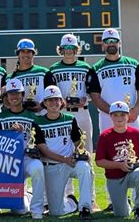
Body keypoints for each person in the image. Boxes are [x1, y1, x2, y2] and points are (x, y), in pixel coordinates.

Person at [49, 34, 99, 211]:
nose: (68, 51)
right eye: (65, 48)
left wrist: (86, 100)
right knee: (64, 153)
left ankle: (91, 199)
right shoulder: (53, 69)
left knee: (86, 154)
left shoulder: (86, 67)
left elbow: (94, 92)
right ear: (60, 50)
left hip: (82, 113)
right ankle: (67, 196)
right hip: (62, 114)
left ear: (76, 49)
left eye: (72, 48)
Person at [35, 86, 92, 220]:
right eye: (50, 100)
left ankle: (85, 208)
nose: (53, 103)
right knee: (56, 212)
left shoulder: (69, 119)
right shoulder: (38, 122)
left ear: (61, 101)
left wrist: (83, 152)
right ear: (45, 103)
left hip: (70, 164)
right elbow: (44, 150)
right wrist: (64, 159)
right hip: (52, 166)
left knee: (84, 167)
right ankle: (72, 202)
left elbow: (79, 142)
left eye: (56, 99)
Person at [0, 78, 45, 220]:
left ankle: (37, 209)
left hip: (27, 158)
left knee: (38, 167)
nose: (14, 97)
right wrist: (10, 133)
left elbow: (39, 142)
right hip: (8, 161)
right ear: (7, 97)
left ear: (22, 95)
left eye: (17, 93)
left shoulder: (33, 117)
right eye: (11, 94)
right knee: (20, 211)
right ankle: (25, 194)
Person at [95, 101, 139, 221]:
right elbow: (99, 161)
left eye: (123, 114)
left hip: (132, 173)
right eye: (116, 115)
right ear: (111, 116)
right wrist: (119, 165)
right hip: (115, 178)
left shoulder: (135, 133)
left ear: (128, 116)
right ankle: (127, 204)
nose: (119, 118)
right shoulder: (105, 136)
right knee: (121, 214)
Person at [87, 28, 139, 132]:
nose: (111, 44)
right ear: (102, 45)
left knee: (133, 146)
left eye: (114, 41)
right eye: (107, 41)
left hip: (131, 115)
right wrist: (114, 112)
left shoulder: (133, 64)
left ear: (119, 43)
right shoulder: (95, 69)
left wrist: (136, 110)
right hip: (107, 117)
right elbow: (95, 97)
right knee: (109, 147)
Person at [8, 39, 55, 113]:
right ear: (18, 54)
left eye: (28, 52)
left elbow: (53, 94)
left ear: (33, 54)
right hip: (22, 117)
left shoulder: (44, 72)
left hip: (42, 116)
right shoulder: (11, 78)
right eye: (22, 51)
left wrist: (42, 105)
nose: (25, 54)